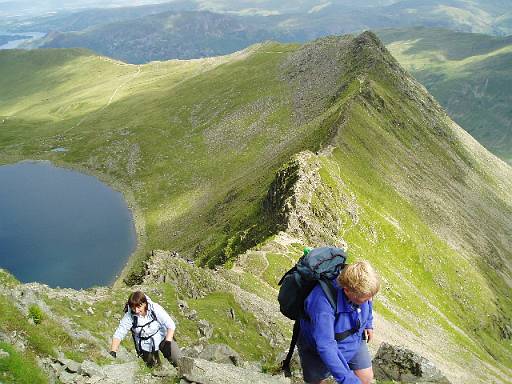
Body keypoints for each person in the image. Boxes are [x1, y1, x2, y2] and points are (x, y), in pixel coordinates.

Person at [297, 260, 380, 384]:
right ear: (347, 291)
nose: (368, 301)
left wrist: (368, 322)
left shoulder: (361, 291)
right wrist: (347, 379)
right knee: (317, 381)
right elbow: (326, 345)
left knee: (366, 378)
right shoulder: (322, 303)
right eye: (363, 299)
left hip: (354, 339)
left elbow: (368, 300)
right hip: (318, 352)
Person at [110, 291, 182, 367]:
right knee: (154, 368)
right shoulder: (130, 316)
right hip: (145, 345)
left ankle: (183, 374)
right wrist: (113, 351)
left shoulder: (154, 308)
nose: (136, 311)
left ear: (144, 304)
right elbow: (119, 333)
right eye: (133, 308)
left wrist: (168, 342)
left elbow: (170, 325)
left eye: (138, 307)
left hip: (162, 337)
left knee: (178, 360)